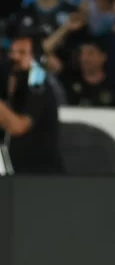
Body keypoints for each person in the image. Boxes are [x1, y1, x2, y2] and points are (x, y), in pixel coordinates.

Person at [0, 37, 64, 174]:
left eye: (22, 53)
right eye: (12, 52)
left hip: (42, 175)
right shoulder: (10, 80)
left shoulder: (37, 82)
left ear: (37, 59)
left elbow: (18, 126)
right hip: (18, 173)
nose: (14, 57)